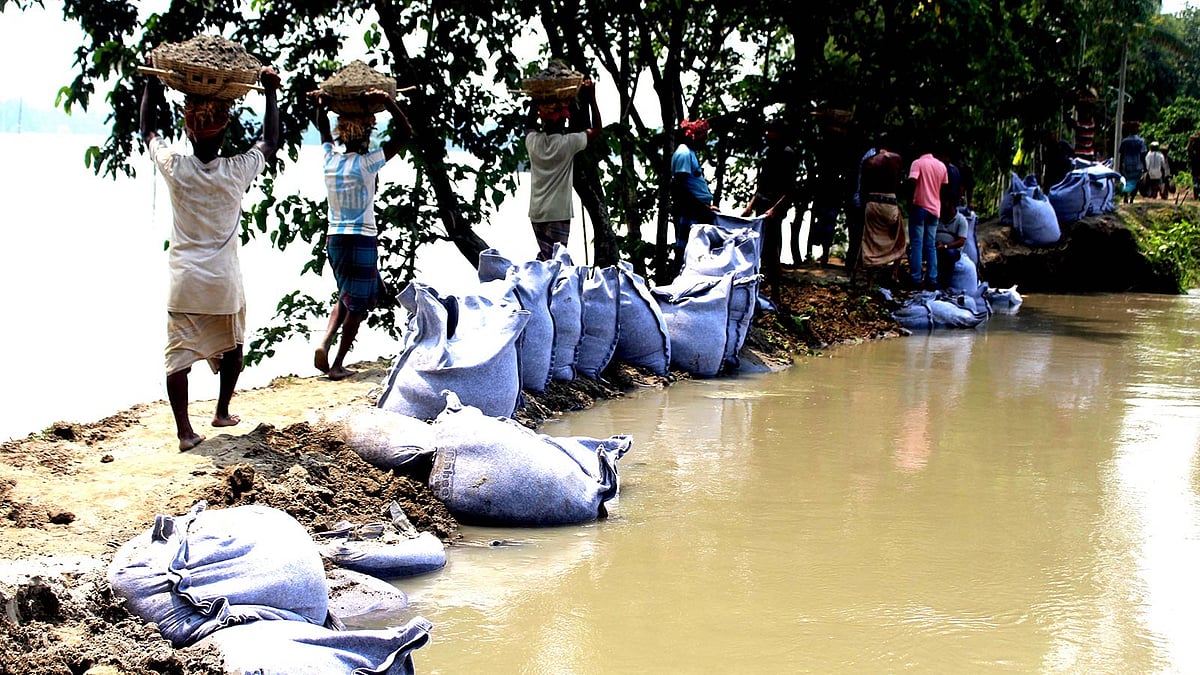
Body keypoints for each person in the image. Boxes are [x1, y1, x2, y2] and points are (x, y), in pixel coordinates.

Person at [140, 67, 280, 451]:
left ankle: (185, 432)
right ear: (224, 131)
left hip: (184, 282)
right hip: (222, 283)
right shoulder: (235, 171)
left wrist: (152, 85)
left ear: (188, 131)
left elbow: (148, 133)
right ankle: (221, 411)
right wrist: (270, 93)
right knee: (233, 346)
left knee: (178, 358)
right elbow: (270, 141)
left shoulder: (177, 168)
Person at [313, 87, 412, 381]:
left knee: (346, 294)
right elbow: (405, 134)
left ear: (341, 134)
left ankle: (324, 341)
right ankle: (338, 362)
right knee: (356, 304)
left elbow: (322, 133)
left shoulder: (330, 160)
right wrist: (391, 104)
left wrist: (320, 106)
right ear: (366, 136)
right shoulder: (369, 163)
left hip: (334, 239)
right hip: (361, 237)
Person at [525, 79, 602, 261]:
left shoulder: (533, 142)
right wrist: (591, 97)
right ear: (563, 122)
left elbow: (528, 125)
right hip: (558, 212)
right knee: (555, 260)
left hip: (537, 212)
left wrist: (537, 99)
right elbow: (597, 129)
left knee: (547, 257)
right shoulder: (568, 143)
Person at [741, 116, 799, 298]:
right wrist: (750, 205)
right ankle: (758, 289)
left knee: (772, 249)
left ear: (779, 133)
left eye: (771, 130)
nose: (767, 134)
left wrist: (775, 209)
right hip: (763, 204)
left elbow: (789, 189)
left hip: (774, 208)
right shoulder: (769, 152)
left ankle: (775, 292)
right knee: (759, 247)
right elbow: (762, 184)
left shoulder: (787, 153)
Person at [856, 135, 906, 285]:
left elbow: (863, 187)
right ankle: (895, 273)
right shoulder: (896, 158)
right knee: (900, 239)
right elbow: (898, 181)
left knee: (870, 242)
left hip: (872, 202)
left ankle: (870, 281)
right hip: (889, 201)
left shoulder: (868, 162)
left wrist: (864, 205)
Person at [671, 118, 719, 270]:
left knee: (699, 252)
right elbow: (680, 188)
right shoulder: (684, 153)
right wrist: (702, 209)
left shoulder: (690, 153)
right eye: (702, 137)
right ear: (693, 136)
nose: (704, 141)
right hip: (690, 210)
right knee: (688, 251)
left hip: (696, 208)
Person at [905, 146, 948, 290]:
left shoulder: (917, 163)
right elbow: (944, 187)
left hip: (919, 207)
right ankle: (932, 279)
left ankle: (916, 278)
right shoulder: (941, 166)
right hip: (935, 209)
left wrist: (909, 203)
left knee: (917, 244)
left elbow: (912, 182)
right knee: (930, 245)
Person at [934, 209, 969, 289]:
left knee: (949, 254)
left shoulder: (961, 220)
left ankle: (944, 284)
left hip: (951, 249)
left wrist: (945, 246)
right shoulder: (936, 217)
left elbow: (961, 241)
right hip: (935, 246)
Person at [1064, 88, 1098, 163]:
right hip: (1089, 156)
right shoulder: (1092, 124)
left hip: (1080, 156)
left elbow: (1066, 118)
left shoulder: (1079, 125)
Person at [1118, 122, 1148, 204]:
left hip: (1127, 165)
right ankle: (1131, 198)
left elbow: (1122, 155)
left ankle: (1125, 197)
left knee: (1126, 181)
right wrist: (1145, 167)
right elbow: (1143, 155)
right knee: (1136, 182)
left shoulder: (1124, 141)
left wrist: (1120, 165)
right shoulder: (1141, 141)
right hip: (1137, 165)